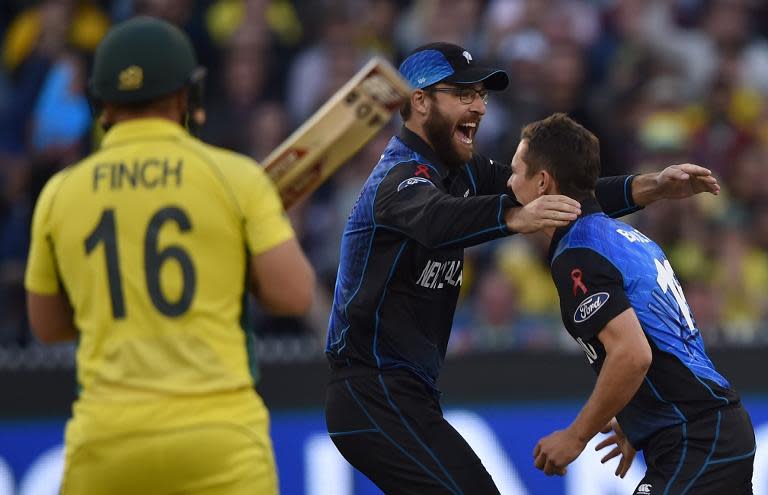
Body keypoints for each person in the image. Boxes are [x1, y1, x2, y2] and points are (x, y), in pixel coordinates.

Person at [323, 42, 721, 494]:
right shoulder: (396, 180)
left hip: (409, 395)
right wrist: (514, 217)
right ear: (420, 101)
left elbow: (557, 193)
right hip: (369, 392)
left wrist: (651, 187)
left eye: (482, 96)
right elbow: (437, 221)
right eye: (464, 94)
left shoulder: (464, 172)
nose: (479, 107)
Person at [24, 17, 315, 495]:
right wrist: (233, 270)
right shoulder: (234, 178)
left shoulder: (60, 194)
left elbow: (48, 327)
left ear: (100, 104)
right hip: (219, 437)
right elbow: (295, 295)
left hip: (107, 442)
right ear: (188, 95)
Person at [508, 113, 755, 493]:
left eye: (515, 173)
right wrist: (640, 414)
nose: (509, 185)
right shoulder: (624, 236)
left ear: (542, 182)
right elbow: (666, 339)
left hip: (696, 437)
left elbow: (632, 354)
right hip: (709, 430)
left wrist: (575, 436)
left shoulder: (578, 254)